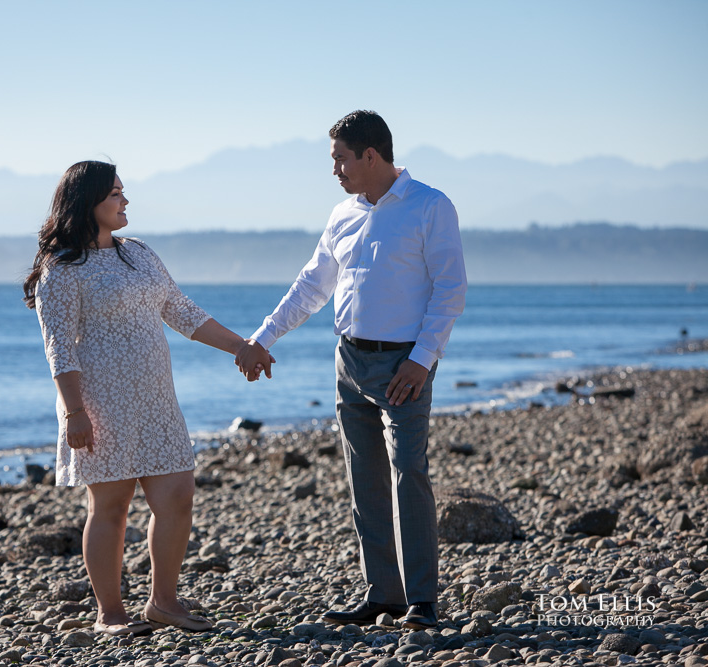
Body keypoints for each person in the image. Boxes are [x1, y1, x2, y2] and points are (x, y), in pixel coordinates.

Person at [236, 111, 467, 630]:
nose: (334, 169)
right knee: (364, 479)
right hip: (349, 360)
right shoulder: (342, 214)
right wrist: (263, 338)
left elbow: (450, 289)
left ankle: (422, 600)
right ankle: (381, 594)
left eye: (340, 157)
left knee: (409, 474)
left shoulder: (430, 205)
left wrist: (421, 359)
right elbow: (312, 285)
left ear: (371, 154)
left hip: (404, 363)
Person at [24, 160, 257, 636]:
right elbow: (59, 347)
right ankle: (110, 614)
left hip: (155, 401)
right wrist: (74, 412)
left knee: (178, 498)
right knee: (110, 507)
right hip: (98, 403)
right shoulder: (63, 269)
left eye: (122, 191)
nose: (124, 200)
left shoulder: (140, 254)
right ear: (86, 202)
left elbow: (182, 311)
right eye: (114, 193)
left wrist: (241, 346)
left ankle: (164, 602)